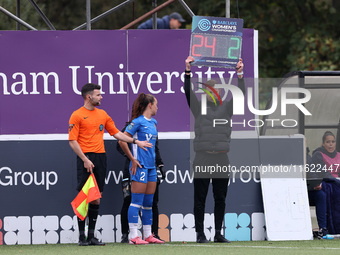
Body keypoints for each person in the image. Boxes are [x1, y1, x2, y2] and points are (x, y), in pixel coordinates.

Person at [68, 83, 152, 246]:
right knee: (84, 197)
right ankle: (81, 237)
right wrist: (85, 159)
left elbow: (117, 134)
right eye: (98, 94)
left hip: (100, 158)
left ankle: (91, 236)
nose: (101, 97)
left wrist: (136, 141)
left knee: (96, 198)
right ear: (88, 97)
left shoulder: (103, 114)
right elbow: (72, 141)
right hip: (85, 158)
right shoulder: (77, 115)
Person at [184, 56, 245, 243]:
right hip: (202, 157)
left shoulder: (227, 108)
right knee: (200, 199)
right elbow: (188, 92)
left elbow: (240, 95)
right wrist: (187, 71)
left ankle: (218, 233)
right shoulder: (198, 107)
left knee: (220, 198)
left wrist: (240, 74)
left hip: (221, 158)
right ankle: (200, 234)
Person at [118, 93, 164, 245]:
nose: (158, 106)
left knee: (148, 203)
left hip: (151, 168)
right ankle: (133, 236)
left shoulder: (154, 122)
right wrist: (132, 159)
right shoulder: (136, 122)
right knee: (135, 202)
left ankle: (148, 235)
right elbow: (121, 140)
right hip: (140, 167)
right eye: (156, 104)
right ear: (149, 105)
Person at [309, 130, 340, 236]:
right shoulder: (318, 155)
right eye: (328, 142)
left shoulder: (339, 155)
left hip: (337, 182)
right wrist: (336, 181)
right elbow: (322, 172)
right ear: (323, 143)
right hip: (325, 181)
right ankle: (330, 227)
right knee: (329, 190)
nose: (331, 144)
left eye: (333, 141)